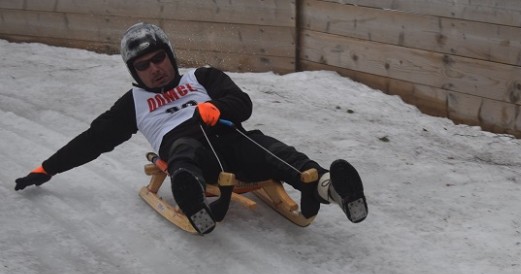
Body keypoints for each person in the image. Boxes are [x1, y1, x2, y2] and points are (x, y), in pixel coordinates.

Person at [14, 23, 368, 234]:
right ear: (133, 72)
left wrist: (214, 107)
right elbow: (92, 141)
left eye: (158, 59)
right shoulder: (132, 104)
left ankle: (329, 186)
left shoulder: (202, 77)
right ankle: (193, 198)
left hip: (230, 137)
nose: (154, 69)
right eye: (143, 66)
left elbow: (241, 102)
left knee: (270, 149)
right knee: (183, 152)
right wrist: (47, 168)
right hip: (188, 150)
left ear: (169, 54)